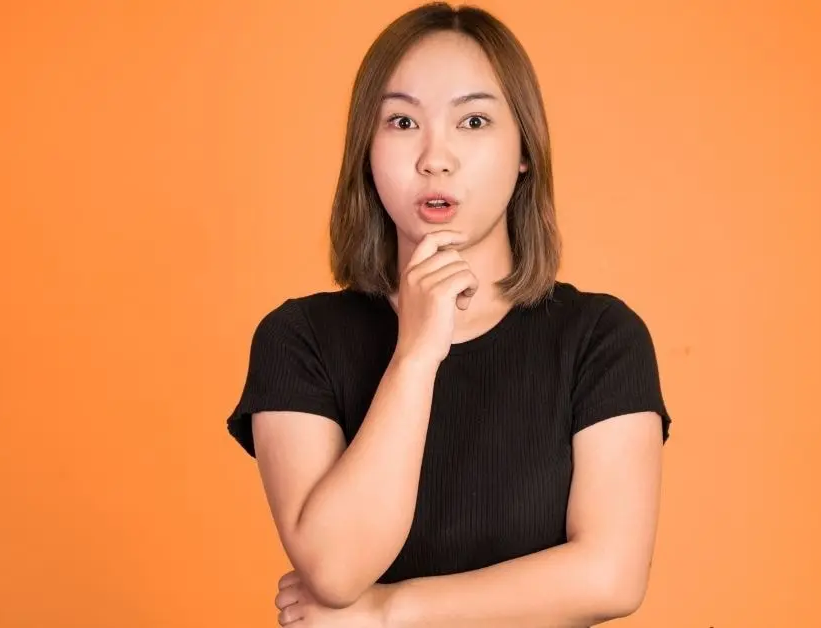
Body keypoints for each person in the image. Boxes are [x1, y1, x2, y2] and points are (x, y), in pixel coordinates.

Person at [225, 3, 671, 626]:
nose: (436, 158)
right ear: (366, 150)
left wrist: (387, 613)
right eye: (403, 121)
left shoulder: (601, 337)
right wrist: (416, 354)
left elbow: (610, 577)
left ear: (525, 151)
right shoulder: (298, 339)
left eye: (474, 121)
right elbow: (335, 567)